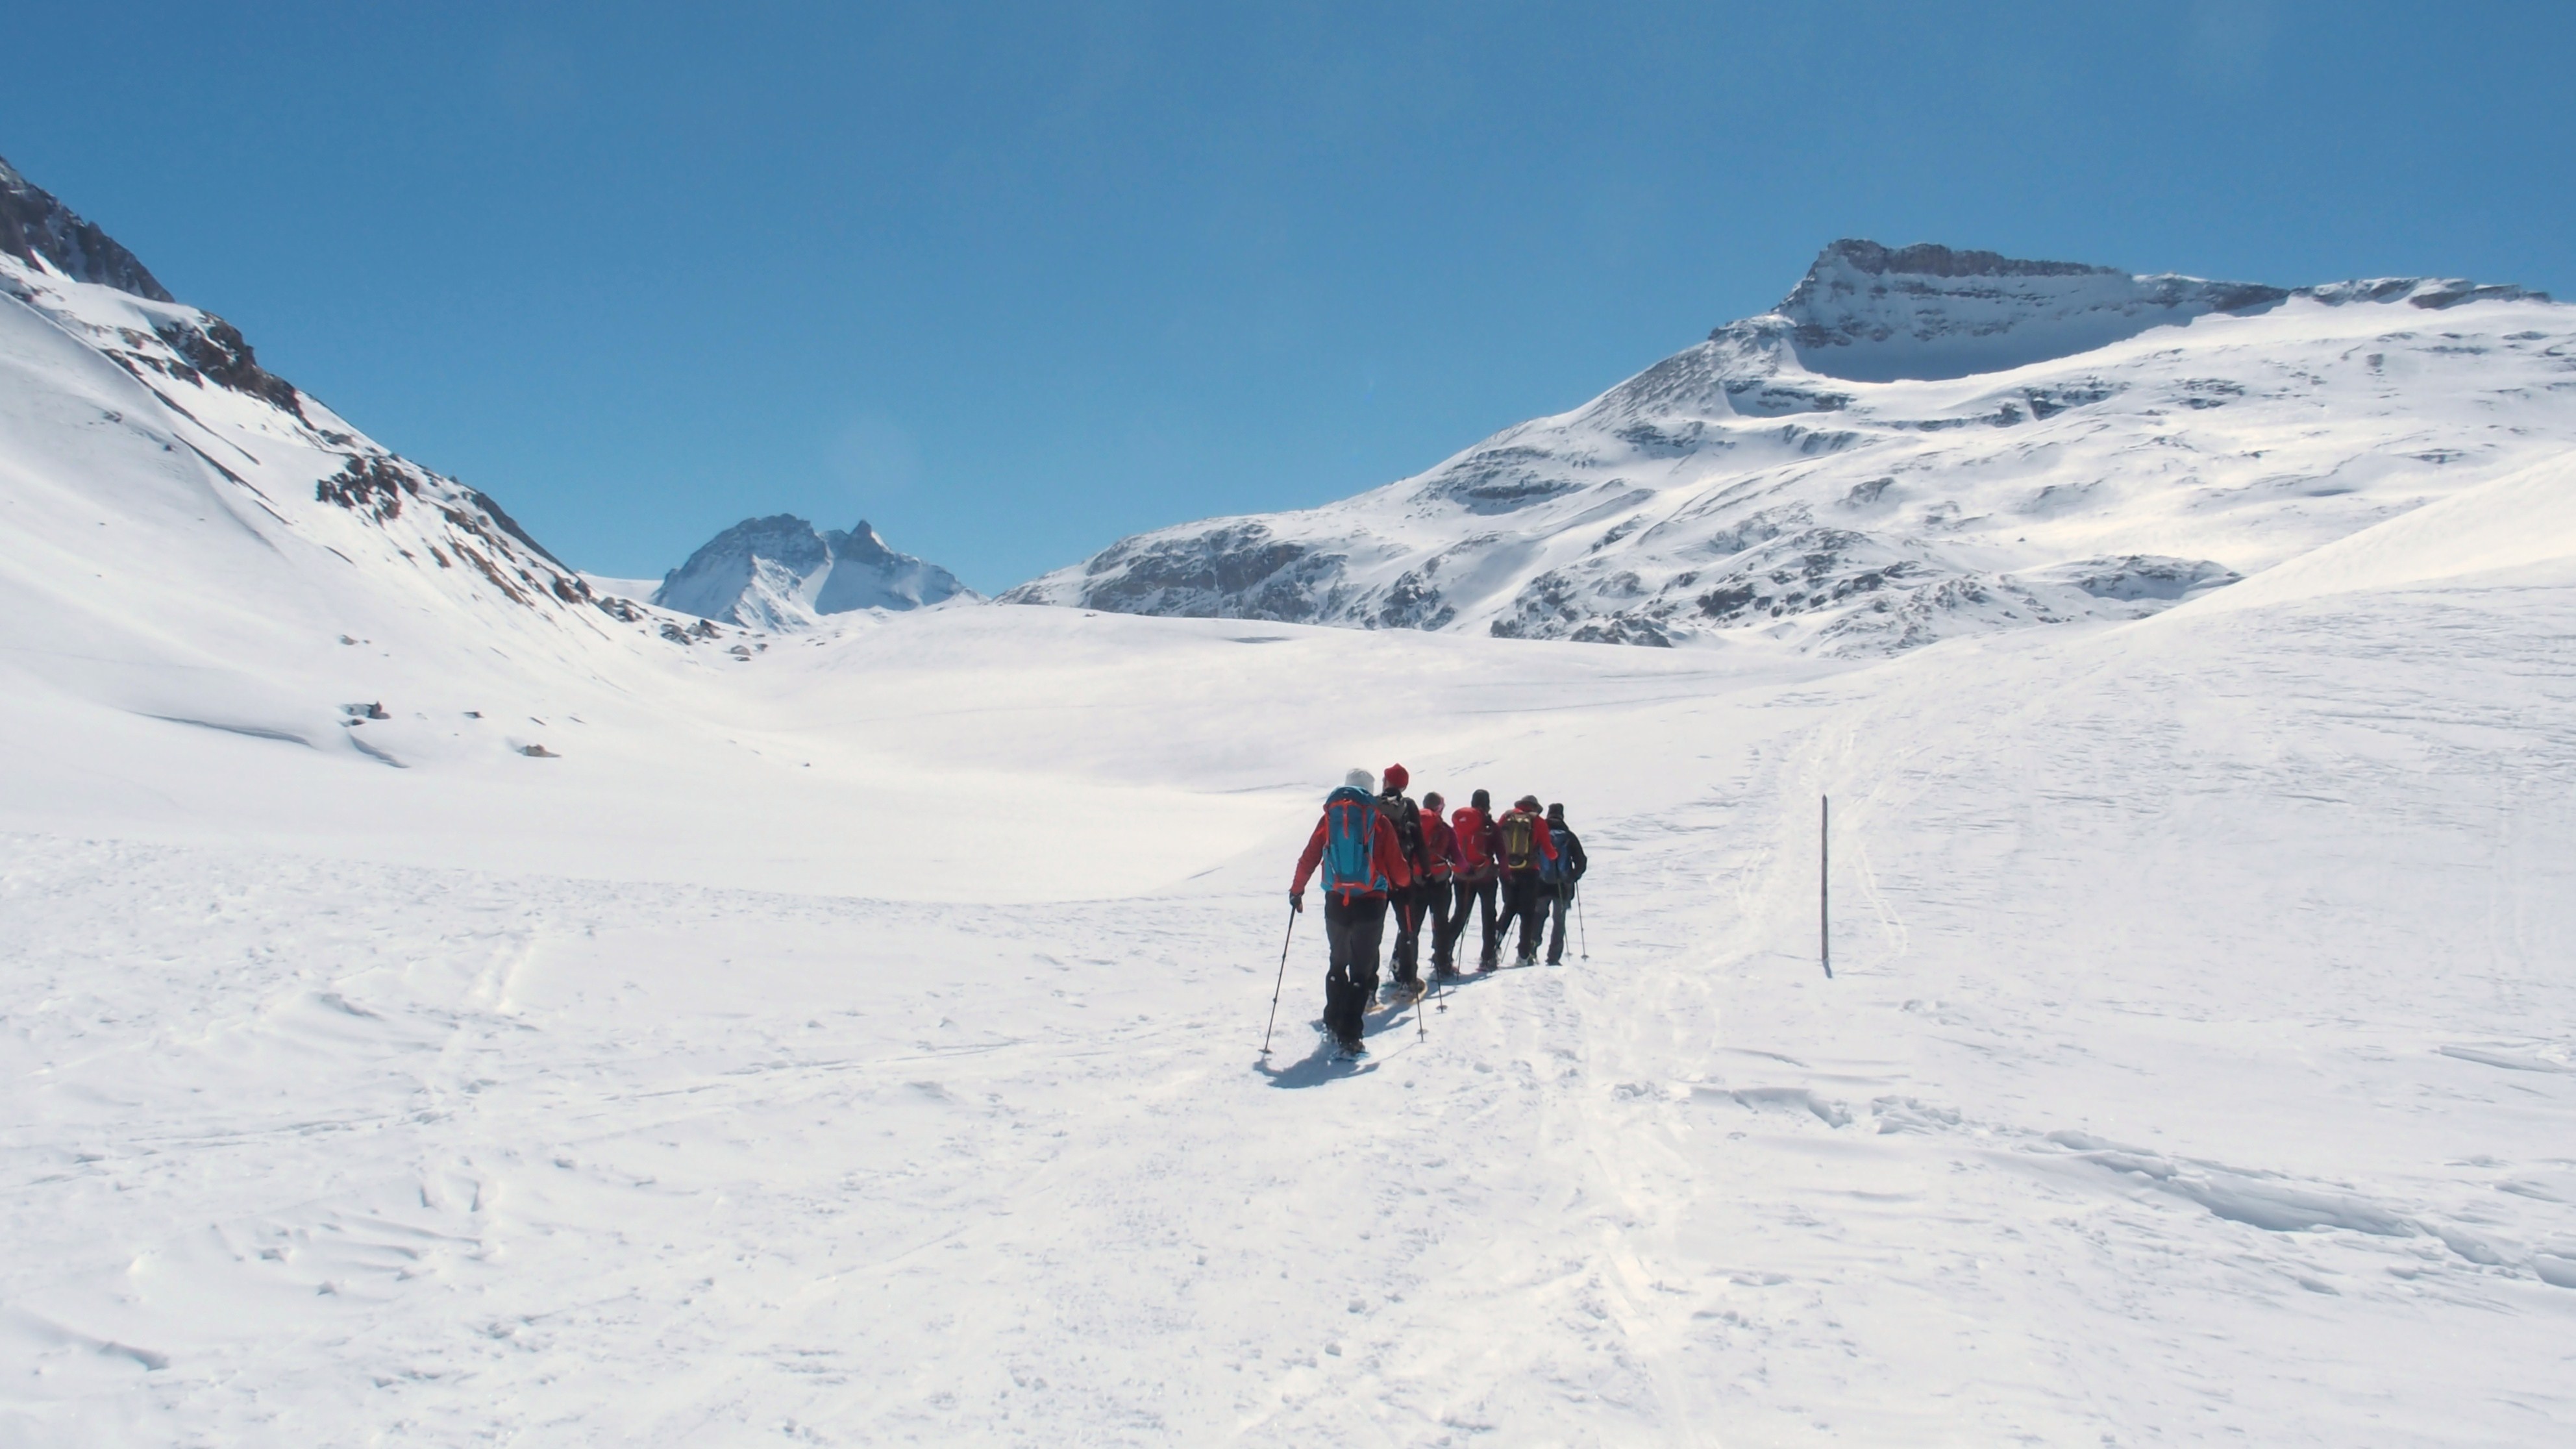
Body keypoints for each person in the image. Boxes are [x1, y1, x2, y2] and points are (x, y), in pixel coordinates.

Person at [1291, 768, 1414, 1056]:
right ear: (1370, 792)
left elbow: (1310, 855)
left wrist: (1297, 890)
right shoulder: (1379, 822)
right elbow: (1398, 870)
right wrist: (1406, 885)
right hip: (1371, 902)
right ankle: (1350, 1036)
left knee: (1337, 963)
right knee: (1361, 969)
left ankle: (1333, 1022)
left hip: (1336, 900)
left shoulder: (1330, 818)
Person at [1377, 764, 1431, 1000]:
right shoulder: (1408, 806)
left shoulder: (1374, 804)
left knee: (1373, 932)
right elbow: (1419, 842)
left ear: (1386, 781)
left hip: (1377, 880)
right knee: (1408, 929)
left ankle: (1368, 989)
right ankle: (1408, 981)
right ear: (1405, 785)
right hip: (1403, 879)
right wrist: (1426, 872)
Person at [1494, 793, 1559, 966]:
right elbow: (1549, 850)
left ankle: (1492, 950)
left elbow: (1496, 840)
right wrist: (1555, 855)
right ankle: (1523, 956)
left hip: (1508, 871)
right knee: (1527, 915)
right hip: (1530, 872)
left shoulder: (1506, 817)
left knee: (1508, 909)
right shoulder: (1538, 822)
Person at [1450, 789, 1502, 972]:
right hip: (1486, 876)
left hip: (1461, 876)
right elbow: (1502, 853)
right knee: (1488, 915)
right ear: (1487, 804)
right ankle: (1488, 958)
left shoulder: (1459, 823)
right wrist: (1505, 874)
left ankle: (1443, 955)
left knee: (1460, 915)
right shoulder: (1490, 826)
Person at [1418, 791, 1464, 976]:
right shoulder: (1444, 828)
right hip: (1440, 881)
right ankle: (1443, 963)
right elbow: (1458, 859)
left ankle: (1401, 965)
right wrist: (1467, 869)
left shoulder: (1412, 824)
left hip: (1416, 880)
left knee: (1411, 925)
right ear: (1440, 808)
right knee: (1441, 923)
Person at [1539, 802, 1589, 965]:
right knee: (1559, 921)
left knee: (1538, 916)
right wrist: (1573, 876)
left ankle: (1530, 951)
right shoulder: (1568, 836)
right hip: (1563, 885)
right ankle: (1553, 957)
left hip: (1541, 883)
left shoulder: (1541, 834)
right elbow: (1581, 860)